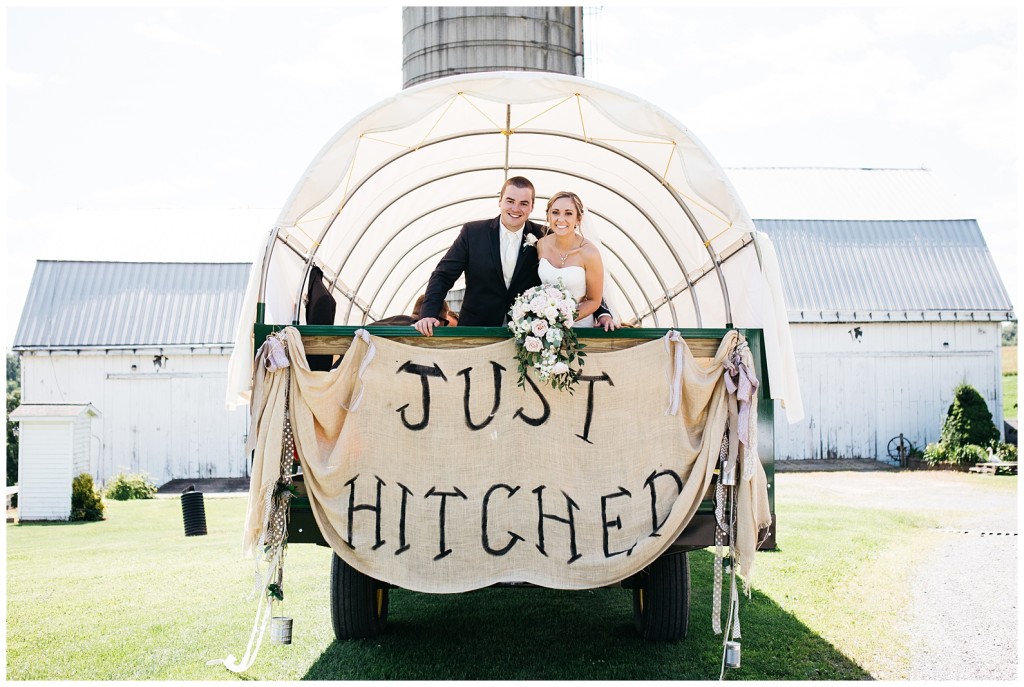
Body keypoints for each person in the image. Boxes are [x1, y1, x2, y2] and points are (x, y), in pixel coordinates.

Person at [415, 176, 617, 335]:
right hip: (478, 329)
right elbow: (443, 275)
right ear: (500, 201)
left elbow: (575, 278)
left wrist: (602, 313)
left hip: (527, 334)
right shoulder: (472, 233)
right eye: (510, 201)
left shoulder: (545, 237)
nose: (515, 208)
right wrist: (428, 314)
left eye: (523, 203)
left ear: (532, 206)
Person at [536, 191, 603, 327]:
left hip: (579, 326)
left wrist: (563, 320)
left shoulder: (590, 253)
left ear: (578, 219)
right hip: (546, 326)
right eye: (555, 212)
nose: (561, 219)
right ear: (548, 216)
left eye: (568, 213)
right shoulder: (541, 244)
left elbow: (594, 300)